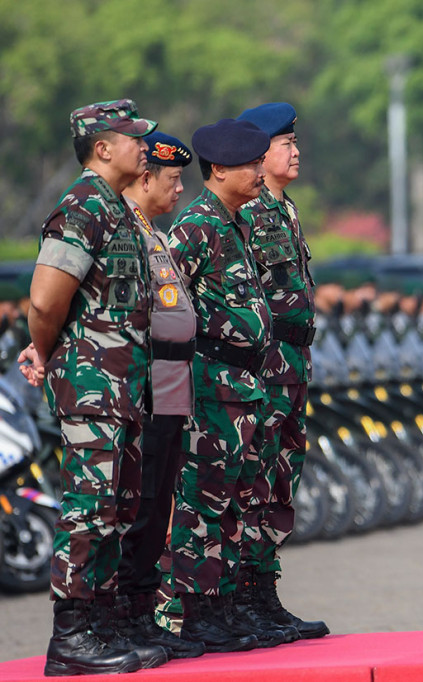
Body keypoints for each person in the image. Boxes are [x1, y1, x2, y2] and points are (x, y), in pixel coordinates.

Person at [21, 99, 163, 676]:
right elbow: (45, 299)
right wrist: (51, 350)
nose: (145, 148)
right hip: (91, 383)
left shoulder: (117, 208)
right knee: (89, 507)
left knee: (116, 505)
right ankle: (72, 636)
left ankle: (102, 625)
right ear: (103, 148)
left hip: (121, 385)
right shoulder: (82, 207)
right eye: (134, 139)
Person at [165, 118, 278, 652]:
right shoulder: (195, 227)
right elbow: (165, 307)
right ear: (218, 170)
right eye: (250, 165)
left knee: (235, 499)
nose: (260, 172)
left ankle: (222, 605)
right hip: (211, 384)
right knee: (202, 499)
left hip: (243, 384)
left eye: (260, 161)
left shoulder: (235, 222)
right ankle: (193, 612)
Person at [234, 102, 328, 639]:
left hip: (293, 363)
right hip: (261, 366)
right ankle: (242, 599)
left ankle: (265, 594)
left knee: (281, 479)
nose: (296, 152)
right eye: (286, 144)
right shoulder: (244, 213)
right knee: (251, 478)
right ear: (258, 152)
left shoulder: (284, 209)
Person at [117, 131, 206, 659]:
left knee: (158, 505)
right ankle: (124, 617)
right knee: (138, 505)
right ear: (145, 177)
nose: (179, 191)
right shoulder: (123, 229)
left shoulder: (152, 230)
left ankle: (145, 614)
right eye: (173, 180)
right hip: (142, 390)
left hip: (172, 389)